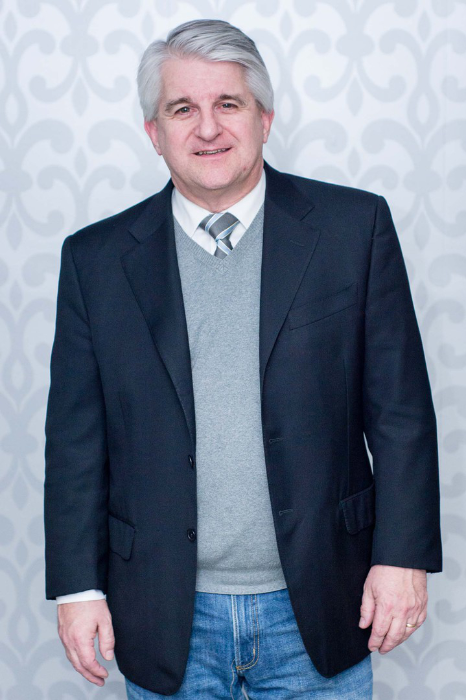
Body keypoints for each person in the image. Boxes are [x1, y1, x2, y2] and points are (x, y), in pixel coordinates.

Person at [44, 18, 442, 699]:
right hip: (163, 614)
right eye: (182, 109)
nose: (208, 128)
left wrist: (402, 556)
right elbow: (77, 441)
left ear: (265, 118)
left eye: (228, 103)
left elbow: (400, 414)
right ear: (154, 132)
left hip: (321, 605)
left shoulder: (353, 230)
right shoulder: (95, 261)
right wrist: (78, 589)